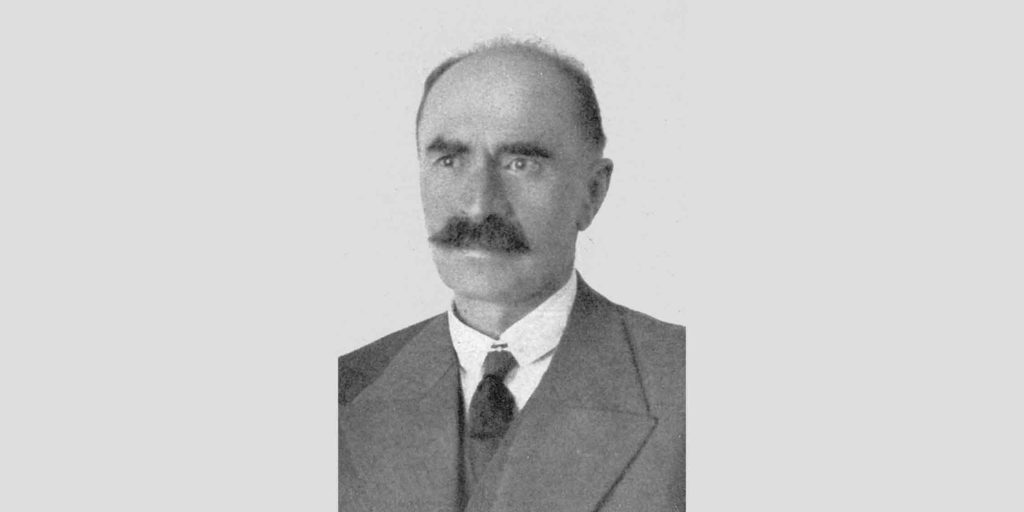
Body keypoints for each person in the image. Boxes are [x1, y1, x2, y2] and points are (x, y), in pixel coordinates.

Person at [338, 39, 685, 512]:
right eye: (449, 160)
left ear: (592, 193)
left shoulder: (686, 384)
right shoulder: (343, 391)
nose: (478, 204)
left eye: (520, 164)